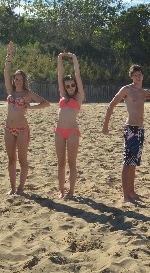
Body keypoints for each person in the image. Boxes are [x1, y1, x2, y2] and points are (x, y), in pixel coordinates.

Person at [102, 65, 150, 203]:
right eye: (135, 75)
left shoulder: (145, 92)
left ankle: (132, 192)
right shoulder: (127, 89)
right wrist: (105, 126)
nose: (138, 77)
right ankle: (125, 195)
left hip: (140, 129)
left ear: (143, 76)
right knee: (127, 162)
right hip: (130, 129)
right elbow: (111, 105)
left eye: (140, 75)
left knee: (133, 163)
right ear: (131, 76)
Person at [3, 41, 50, 195]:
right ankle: (12, 188)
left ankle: (21, 188)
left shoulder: (28, 94)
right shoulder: (10, 91)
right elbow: (6, 71)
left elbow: (46, 103)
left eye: (20, 79)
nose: (18, 81)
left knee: (23, 160)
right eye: (16, 79)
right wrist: (9, 54)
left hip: (22, 129)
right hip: (8, 128)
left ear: (24, 81)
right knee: (11, 159)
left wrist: (30, 107)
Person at [55, 51, 85, 199]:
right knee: (60, 163)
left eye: (73, 85)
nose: (71, 87)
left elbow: (77, 75)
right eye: (68, 86)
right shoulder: (63, 95)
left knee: (72, 163)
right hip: (59, 131)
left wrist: (74, 58)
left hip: (72, 132)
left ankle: (71, 191)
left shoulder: (79, 97)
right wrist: (59, 58)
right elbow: (60, 75)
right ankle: (61, 190)